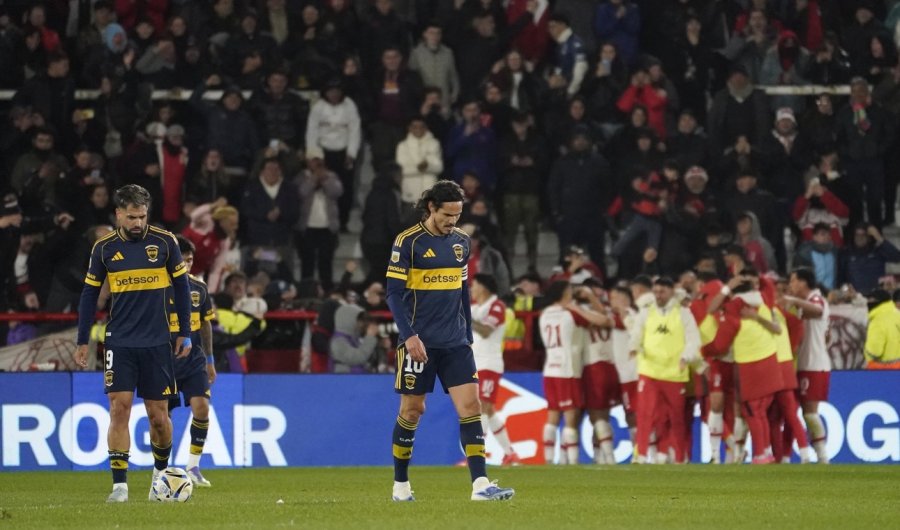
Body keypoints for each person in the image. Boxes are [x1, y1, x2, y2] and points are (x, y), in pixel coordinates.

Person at [384, 180, 513, 502]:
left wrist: (467, 335)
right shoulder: (408, 242)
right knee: (413, 410)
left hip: (455, 342)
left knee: (471, 407)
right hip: (419, 343)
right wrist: (409, 336)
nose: (452, 221)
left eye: (457, 215)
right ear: (432, 208)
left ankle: (481, 485)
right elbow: (394, 295)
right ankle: (401, 486)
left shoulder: (461, 243)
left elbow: (462, 291)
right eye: (447, 215)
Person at [73, 184, 193, 502]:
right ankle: (120, 487)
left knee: (158, 416)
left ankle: (159, 478)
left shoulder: (165, 242)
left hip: (157, 342)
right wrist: (82, 339)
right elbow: (89, 294)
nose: (138, 223)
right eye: (131, 217)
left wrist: (184, 331)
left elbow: (182, 288)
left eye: (142, 216)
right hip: (120, 341)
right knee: (119, 408)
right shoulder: (103, 249)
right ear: (118, 214)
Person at [628, 277, 701, 464]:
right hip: (649, 370)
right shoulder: (646, 312)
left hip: (674, 373)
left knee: (675, 417)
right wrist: (634, 347)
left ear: (671, 292)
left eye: (662, 292)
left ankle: (679, 457)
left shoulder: (683, 313)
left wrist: (686, 357)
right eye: (656, 292)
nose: (658, 295)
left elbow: (694, 339)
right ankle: (641, 455)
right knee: (644, 413)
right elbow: (636, 333)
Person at [168, 236, 216, 487]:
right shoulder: (158, 288)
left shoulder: (199, 288)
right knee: (162, 417)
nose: (187, 265)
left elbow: (205, 324)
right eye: (183, 260)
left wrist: (210, 360)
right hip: (164, 360)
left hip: (194, 359)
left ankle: (193, 466)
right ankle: (162, 469)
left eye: (190, 260)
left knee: (202, 408)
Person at [469, 273, 520, 465]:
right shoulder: (474, 308)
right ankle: (510, 453)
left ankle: (476, 456)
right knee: (488, 410)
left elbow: (486, 331)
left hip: (489, 363)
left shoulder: (497, 306)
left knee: (481, 407)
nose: (471, 289)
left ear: (483, 287)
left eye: (474, 285)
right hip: (474, 363)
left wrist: (466, 318)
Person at [783, 267, 831, 463]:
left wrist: (792, 300)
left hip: (814, 365)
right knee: (790, 413)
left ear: (804, 282)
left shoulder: (816, 299)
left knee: (809, 413)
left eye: (793, 280)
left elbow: (817, 311)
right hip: (803, 364)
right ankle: (784, 457)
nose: (791, 285)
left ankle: (822, 456)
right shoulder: (805, 304)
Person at [863, 289, 900, 370]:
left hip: (885, 371)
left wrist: (867, 353)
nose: (868, 303)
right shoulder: (898, 315)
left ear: (879, 301)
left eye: (871, 300)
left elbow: (874, 352)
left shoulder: (878, 321)